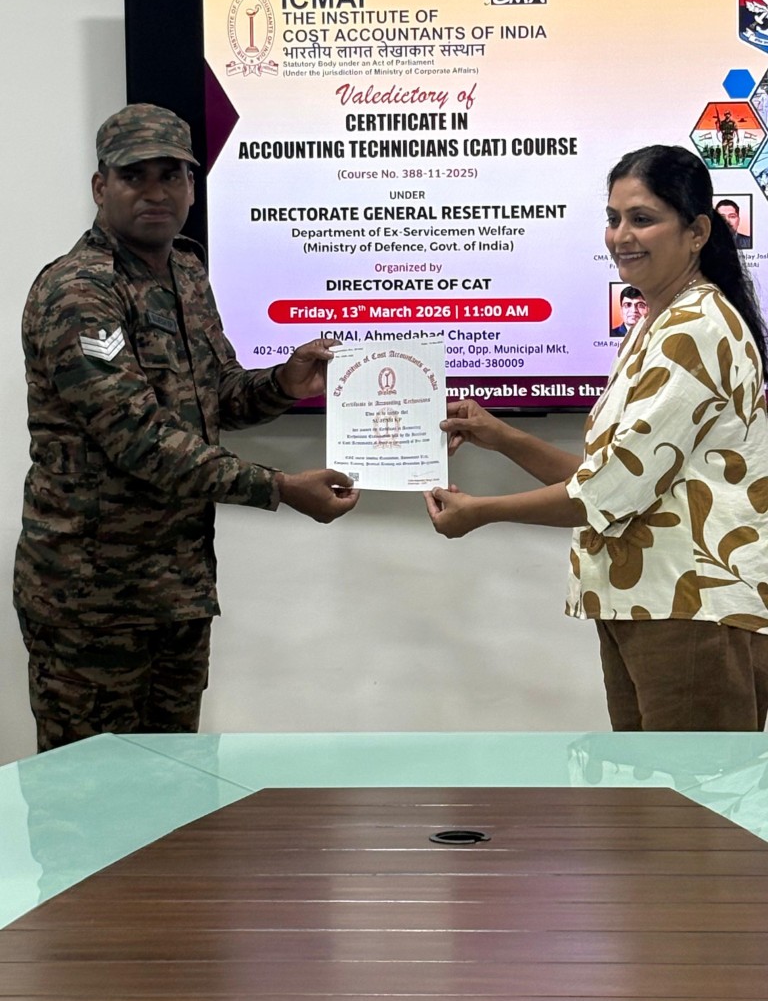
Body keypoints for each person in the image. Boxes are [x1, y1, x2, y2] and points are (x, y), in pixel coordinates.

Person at [14, 104, 359, 752]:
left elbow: (216, 395)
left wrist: (283, 382)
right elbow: (141, 440)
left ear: (193, 187)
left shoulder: (186, 272)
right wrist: (280, 487)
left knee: (174, 786)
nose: (156, 192)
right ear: (100, 187)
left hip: (177, 589)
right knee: (87, 793)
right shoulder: (79, 292)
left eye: (171, 175)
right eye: (134, 176)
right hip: (92, 599)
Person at [425, 144, 768, 731]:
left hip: (692, 606)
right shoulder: (657, 324)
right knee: (648, 787)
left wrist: (481, 512)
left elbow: (604, 494)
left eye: (643, 218)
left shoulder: (695, 329)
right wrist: (499, 435)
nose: (621, 236)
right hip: (650, 604)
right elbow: (609, 475)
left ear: (697, 232)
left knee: (694, 791)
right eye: (613, 218)